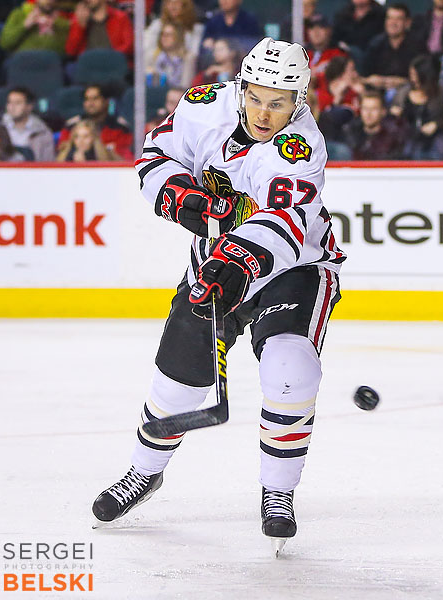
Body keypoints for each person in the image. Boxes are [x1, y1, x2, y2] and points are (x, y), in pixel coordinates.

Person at [91, 38, 346, 549]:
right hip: (213, 264)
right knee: (176, 383)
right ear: (242, 86)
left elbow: (286, 218)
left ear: (299, 98)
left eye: (279, 101)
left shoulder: (302, 145)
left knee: (289, 369)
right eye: (256, 97)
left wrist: (239, 259)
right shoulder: (203, 106)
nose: (264, 112)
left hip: (290, 268)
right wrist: (177, 197)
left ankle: (278, 491)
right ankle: (144, 472)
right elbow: (155, 156)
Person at [391, 54, 443, 159]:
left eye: (416, 75)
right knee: (406, 150)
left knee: (437, 151)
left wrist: (437, 124)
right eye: (411, 74)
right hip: (408, 134)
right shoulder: (403, 93)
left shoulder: (442, 94)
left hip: (436, 136)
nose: (413, 79)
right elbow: (392, 119)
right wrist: (395, 114)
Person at [362, 3, 425, 94]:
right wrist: (372, 80)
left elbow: (424, 79)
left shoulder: (417, 46)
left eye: (398, 19)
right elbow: (363, 77)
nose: (393, 23)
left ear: (407, 23)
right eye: (389, 18)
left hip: (408, 93)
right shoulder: (375, 44)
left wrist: (403, 82)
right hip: (378, 94)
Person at [58, 84, 133, 160]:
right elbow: (62, 153)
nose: (90, 103)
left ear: (106, 101)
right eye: (87, 99)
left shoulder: (120, 128)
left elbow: (126, 160)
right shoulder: (71, 126)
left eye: (95, 99)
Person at [341, 90, 408, 159]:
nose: (368, 113)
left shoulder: (393, 136)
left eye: (374, 109)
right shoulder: (350, 132)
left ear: (383, 111)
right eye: (365, 108)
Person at [65, 0, 133, 59]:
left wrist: (108, 57)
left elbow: (129, 47)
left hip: (114, 65)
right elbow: (71, 51)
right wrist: (80, 26)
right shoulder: (79, 18)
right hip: (88, 67)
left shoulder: (121, 18)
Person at [0, 0, 70, 56]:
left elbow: (64, 55)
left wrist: (52, 33)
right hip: (21, 65)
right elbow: (4, 44)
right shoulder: (19, 14)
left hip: (48, 68)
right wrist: (24, 26)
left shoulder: (62, 22)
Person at [3, 87, 55, 162]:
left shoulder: (43, 132)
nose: (12, 107)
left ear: (29, 106)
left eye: (17, 103)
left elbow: (48, 163)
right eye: (9, 102)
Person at [147, 22, 197, 89]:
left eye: (168, 35)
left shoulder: (188, 57)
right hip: (159, 94)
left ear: (178, 37)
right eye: (162, 34)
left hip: (179, 96)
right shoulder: (157, 56)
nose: (164, 37)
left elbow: (185, 86)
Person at [55, 118, 121, 161]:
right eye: (77, 137)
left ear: (94, 138)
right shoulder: (64, 157)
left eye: (86, 136)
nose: (81, 141)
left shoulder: (107, 157)